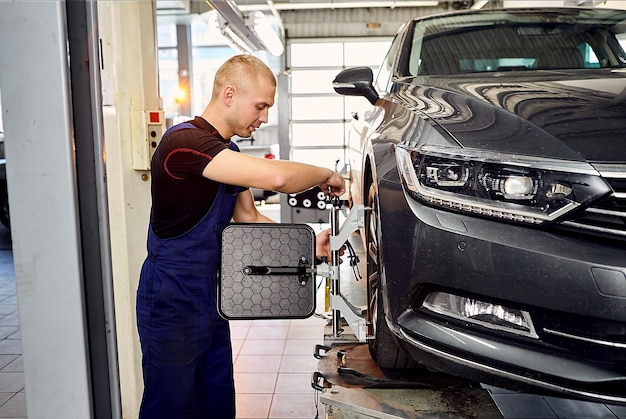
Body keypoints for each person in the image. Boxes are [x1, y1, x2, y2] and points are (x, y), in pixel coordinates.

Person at [136, 54, 345, 419]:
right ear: (229, 94)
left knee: (216, 403)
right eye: (260, 106)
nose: (264, 118)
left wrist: (309, 245)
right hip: (171, 296)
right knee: (170, 406)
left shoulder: (227, 152)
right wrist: (325, 174)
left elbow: (248, 217)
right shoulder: (183, 143)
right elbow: (277, 179)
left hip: (211, 298)